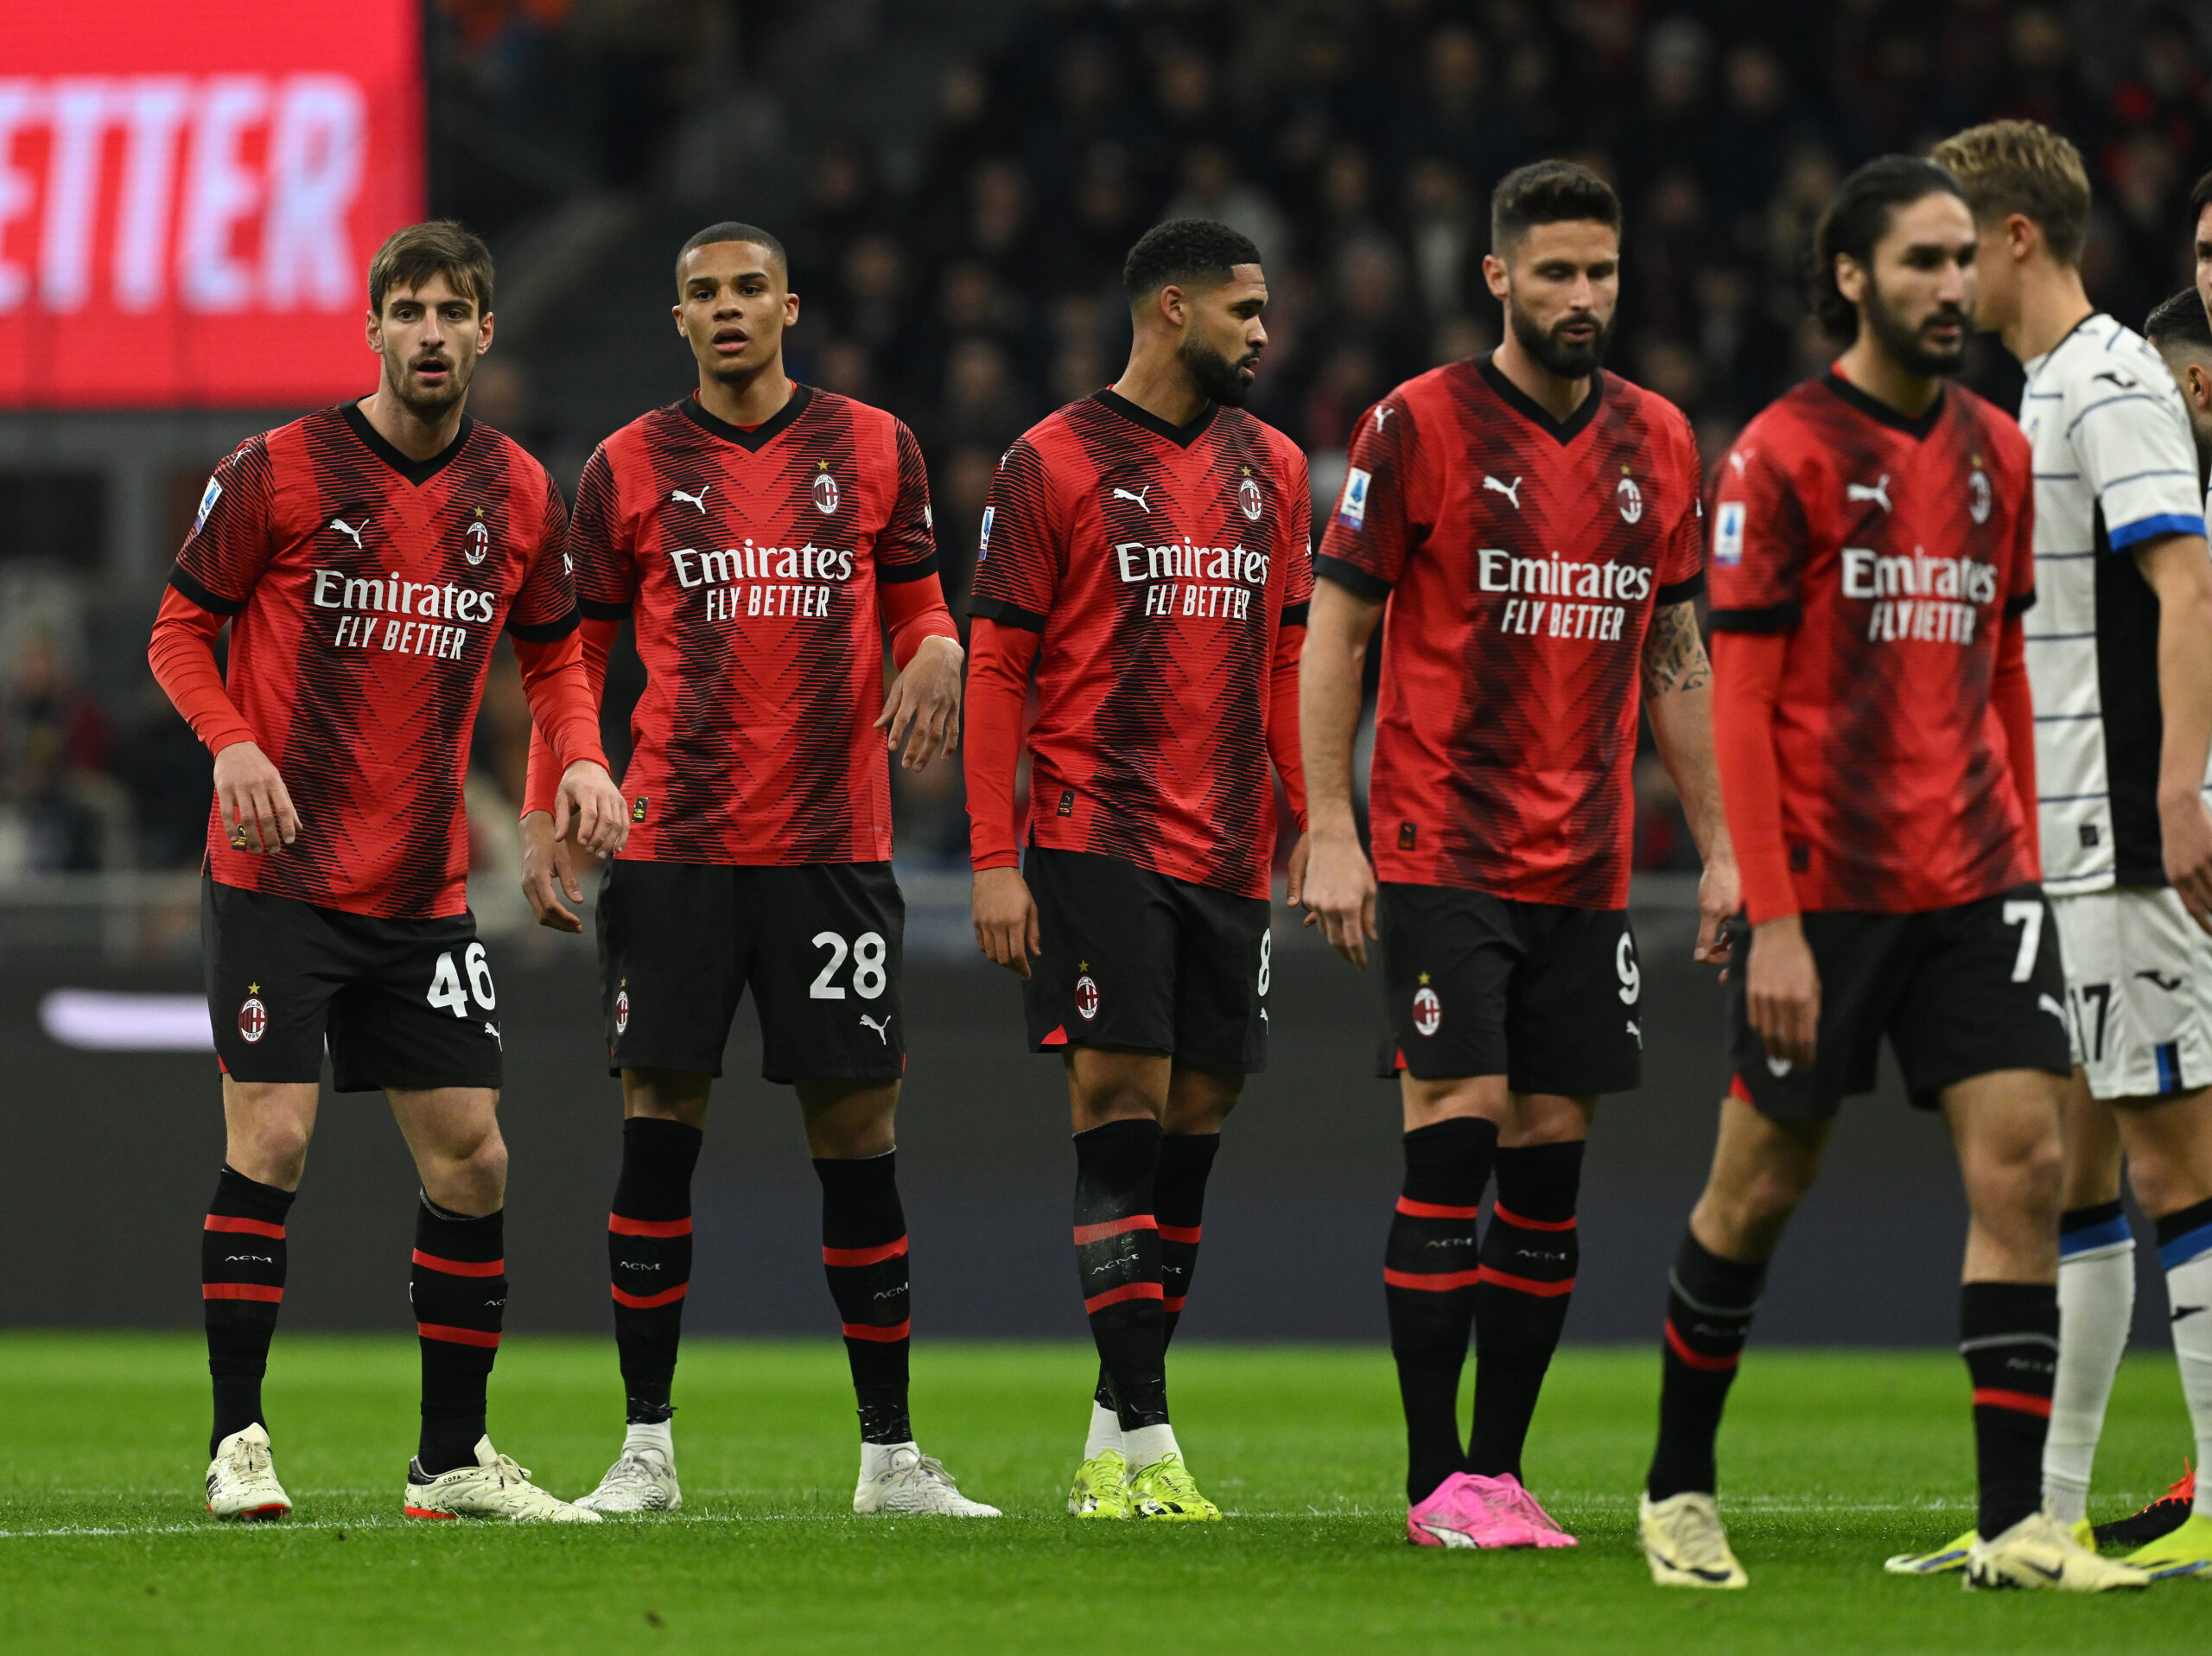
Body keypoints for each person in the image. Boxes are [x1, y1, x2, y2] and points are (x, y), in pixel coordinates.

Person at [1631, 156, 2147, 1593]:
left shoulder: (1998, 452)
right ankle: (1676, 1489)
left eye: (1962, 257)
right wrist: (1777, 918)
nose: (1951, 284)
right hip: (1830, 888)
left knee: (2026, 1166)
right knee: (1760, 1186)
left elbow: (2003, 671)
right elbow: (1742, 698)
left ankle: (2018, 1525)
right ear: (1851, 277)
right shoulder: (1783, 455)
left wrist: (2025, 862)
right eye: (1921, 260)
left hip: (1975, 881)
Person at [147, 220, 627, 1524]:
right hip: (278, 877)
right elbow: (180, 632)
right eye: (407, 310)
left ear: (485, 332)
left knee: (474, 1159)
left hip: (419, 890)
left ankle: (451, 1459)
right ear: (372, 329)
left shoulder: (519, 491)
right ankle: (237, 1440)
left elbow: (556, 657)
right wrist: (233, 742)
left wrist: (579, 764)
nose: (429, 332)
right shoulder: (278, 469)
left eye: (452, 312)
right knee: (274, 1137)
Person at [518, 222, 995, 1519]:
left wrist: (941, 645)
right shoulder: (626, 466)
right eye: (703, 294)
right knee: (659, 1124)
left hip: (832, 846)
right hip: (673, 842)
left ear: (790, 305)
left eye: (748, 289)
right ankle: (645, 1452)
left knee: (859, 1133)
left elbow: (919, 605)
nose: (727, 308)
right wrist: (553, 796)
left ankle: (890, 1459)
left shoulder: (877, 447)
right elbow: (570, 654)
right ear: (677, 319)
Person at [1300, 159, 1734, 1551]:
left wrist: (1724, 845)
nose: (1581, 294)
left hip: (1585, 862)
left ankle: (1498, 1472)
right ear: (1497, 277)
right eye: (1554, 272)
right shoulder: (1416, 425)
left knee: (1551, 1156)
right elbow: (1337, 628)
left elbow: (1676, 657)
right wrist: (1328, 826)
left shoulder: (1661, 439)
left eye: (1599, 270)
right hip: (1443, 840)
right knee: (1462, 1119)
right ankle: (1436, 1481)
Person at [1872, 119, 2212, 1584]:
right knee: (2072, 1172)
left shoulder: (2117, 383)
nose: (1944, 278)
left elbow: (2188, 585)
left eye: (1959, 246)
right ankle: (2043, 1512)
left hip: (2129, 836)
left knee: (2178, 1164)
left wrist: (2183, 793)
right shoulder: (2046, 390)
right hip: (2055, 844)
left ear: (2017, 237)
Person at [965, 219, 1311, 1522]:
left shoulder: (1275, 467)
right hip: (1094, 834)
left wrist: (1318, 818)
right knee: (1118, 1102)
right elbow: (998, 667)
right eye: (1244, 310)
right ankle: (1153, 1444)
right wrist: (994, 858)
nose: (1263, 333)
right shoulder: (1050, 461)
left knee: (1198, 1122)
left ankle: (1113, 1433)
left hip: (1228, 844)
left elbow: (1288, 663)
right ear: (1173, 308)